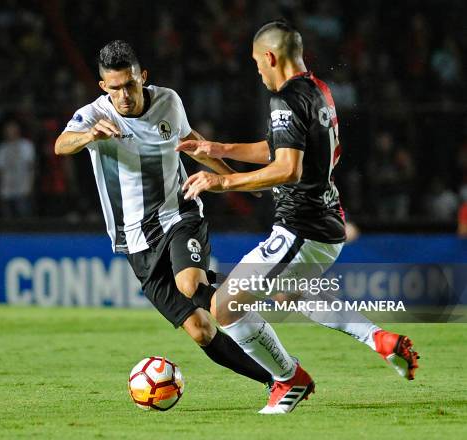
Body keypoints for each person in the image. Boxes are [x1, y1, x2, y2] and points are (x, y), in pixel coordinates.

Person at [177, 20, 420, 414]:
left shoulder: (284, 100)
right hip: (324, 221)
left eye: (258, 63)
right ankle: (379, 340)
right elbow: (279, 148)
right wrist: (217, 146)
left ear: (270, 57)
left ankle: (290, 381)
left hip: (301, 229)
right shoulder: (318, 91)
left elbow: (287, 168)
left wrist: (223, 183)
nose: (257, 71)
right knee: (290, 294)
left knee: (223, 307)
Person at [55, 40, 277, 392]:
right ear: (103, 87)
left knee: (190, 283)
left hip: (178, 215)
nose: (124, 95)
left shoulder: (168, 101)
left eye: (129, 84)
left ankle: (276, 349)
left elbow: (192, 143)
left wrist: (234, 180)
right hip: (134, 240)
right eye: (115, 88)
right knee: (201, 330)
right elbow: (60, 144)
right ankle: (274, 379)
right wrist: (87, 136)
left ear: (142, 77)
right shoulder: (96, 115)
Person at [0, 120, 36, 218]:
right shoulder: (1, 149)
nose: (10, 132)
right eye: (8, 130)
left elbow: (31, 167)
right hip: (6, 190)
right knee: (7, 219)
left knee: (24, 218)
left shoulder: (27, 146)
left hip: (23, 189)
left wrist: (31, 185)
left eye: (12, 130)